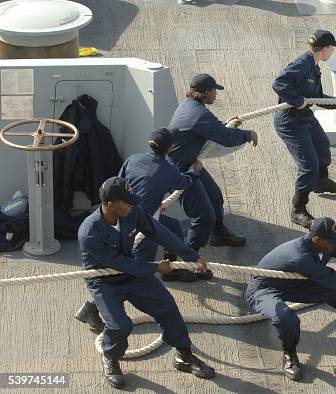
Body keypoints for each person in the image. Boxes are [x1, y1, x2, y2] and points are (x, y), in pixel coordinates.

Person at [78, 177, 215, 388]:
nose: (131, 205)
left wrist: (190, 256)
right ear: (111, 205)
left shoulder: (131, 212)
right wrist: (156, 268)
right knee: (120, 325)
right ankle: (111, 357)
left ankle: (184, 356)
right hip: (104, 281)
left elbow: (158, 231)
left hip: (132, 273)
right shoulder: (90, 233)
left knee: (167, 306)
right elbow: (119, 263)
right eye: (126, 201)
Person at [74, 129, 214, 334]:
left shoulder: (132, 160)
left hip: (139, 214)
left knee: (173, 227)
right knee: (135, 269)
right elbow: (185, 182)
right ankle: (92, 309)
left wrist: (190, 257)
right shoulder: (168, 170)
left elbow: (120, 181)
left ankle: (175, 270)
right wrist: (195, 169)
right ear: (170, 149)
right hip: (135, 222)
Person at [246, 217, 336, 381]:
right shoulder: (300, 256)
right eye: (331, 242)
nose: (334, 245)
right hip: (265, 288)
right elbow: (332, 278)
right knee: (284, 316)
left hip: (298, 282)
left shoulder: (326, 244)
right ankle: (289, 352)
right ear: (317, 239)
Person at [168, 74, 257, 251]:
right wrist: (249, 135)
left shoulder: (190, 105)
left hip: (189, 163)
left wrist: (227, 125)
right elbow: (225, 138)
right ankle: (186, 259)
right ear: (206, 93)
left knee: (214, 196)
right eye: (214, 91)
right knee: (203, 217)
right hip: (179, 171)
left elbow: (213, 129)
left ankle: (218, 234)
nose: (216, 94)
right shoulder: (198, 113)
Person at [272, 30, 336, 229]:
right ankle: (298, 209)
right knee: (308, 166)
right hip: (290, 122)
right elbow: (279, 83)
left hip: (304, 117)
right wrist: (297, 102)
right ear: (324, 49)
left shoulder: (314, 67)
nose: (332, 52)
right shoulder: (303, 64)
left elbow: (318, 98)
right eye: (331, 48)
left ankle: (321, 182)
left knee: (322, 145)